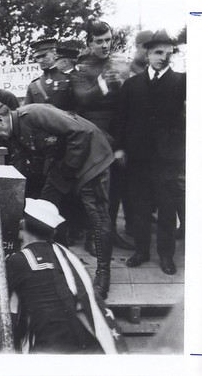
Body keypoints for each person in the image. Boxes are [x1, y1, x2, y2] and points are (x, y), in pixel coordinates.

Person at [0, 98, 114, 299]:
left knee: (96, 215)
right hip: (63, 165)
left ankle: (103, 273)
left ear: (0, 120)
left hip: (92, 159)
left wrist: (67, 171)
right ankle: (63, 262)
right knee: (46, 209)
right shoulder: (15, 134)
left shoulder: (34, 113)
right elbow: (21, 167)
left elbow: (80, 132)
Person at [0, 199, 127, 354]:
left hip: (48, 350)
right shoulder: (66, 256)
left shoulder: (20, 260)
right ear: (53, 233)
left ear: (22, 226)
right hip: (82, 345)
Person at [115, 29, 186, 275]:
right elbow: (121, 118)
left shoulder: (181, 82)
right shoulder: (132, 84)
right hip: (138, 157)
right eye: (158, 52)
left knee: (167, 208)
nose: (163, 57)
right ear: (147, 53)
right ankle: (141, 251)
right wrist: (120, 148)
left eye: (168, 53)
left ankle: (166, 256)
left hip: (167, 158)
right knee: (139, 208)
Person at [70, 20, 134, 253]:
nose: (105, 45)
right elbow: (83, 99)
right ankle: (92, 237)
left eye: (108, 39)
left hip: (119, 132)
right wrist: (104, 83)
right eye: (99, 41)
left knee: (117, 186)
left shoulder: (120, 65)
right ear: (88, 43)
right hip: (95, 134)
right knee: (96, 188)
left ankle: (111, 233)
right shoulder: (80, 70)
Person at [24, 39, 74, 112]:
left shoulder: (69, 79)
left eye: (44, 56)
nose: (41, 60)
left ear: (55, 55)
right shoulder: (33, 85)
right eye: (38, 58)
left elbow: (79, 108)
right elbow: (27, 111)